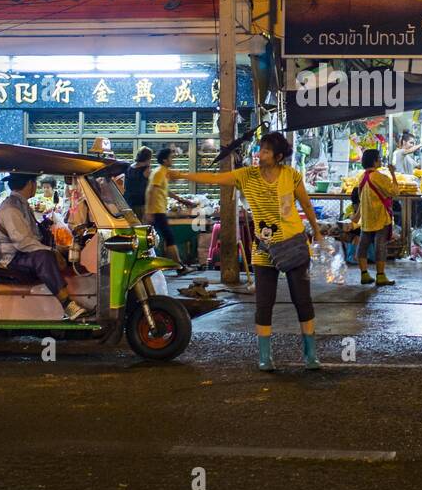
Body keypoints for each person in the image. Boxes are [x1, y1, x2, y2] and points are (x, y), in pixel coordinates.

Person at [170, 132, 326, 370]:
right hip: (264, 250)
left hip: (294, 245)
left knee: (302, 301)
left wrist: (317, 232)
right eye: (259, 149)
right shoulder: (246, 176)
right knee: (264, 303)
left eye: (265, 151)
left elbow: (305, 203)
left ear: (278, 156)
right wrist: (181, 174)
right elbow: (214, 179)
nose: (259, 154)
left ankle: (311, 354)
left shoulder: (291, 175)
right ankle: (265, 356)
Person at [0, 172, 87, 320]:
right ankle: (67, 304)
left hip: (24, 252)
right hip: (13, 258)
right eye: (36, 183)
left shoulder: (21, 203)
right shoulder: (11, 208)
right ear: (31, 184)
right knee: (44, 257)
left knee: (68, 250)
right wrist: (51, 251)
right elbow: (23, 242)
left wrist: (58, 248)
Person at [349, 147, 399, 286]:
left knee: (363, 245)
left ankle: (364, 274)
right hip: (380, 217)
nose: (381, 160)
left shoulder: (362, 177)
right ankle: (380, 275)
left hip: (367, 218)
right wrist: (393, 174)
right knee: (380, 246)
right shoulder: (379, 177)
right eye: (379, 158)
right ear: (375, 161)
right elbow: (395, 192)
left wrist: (357, 216)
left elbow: (360, 198)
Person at [146, 147, 197, 274]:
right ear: (164, 160)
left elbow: (164, 191)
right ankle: (180, 267)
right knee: (169, 238)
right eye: (170, 157)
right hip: (156, 210)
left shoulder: (162, 172)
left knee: (163, 238)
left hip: (159, 210)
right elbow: (151, 191)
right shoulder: (159, 172)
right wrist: (149, 212)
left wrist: (181, 200)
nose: (172, 159)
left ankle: (178, 266)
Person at [124, 146, 154, 221]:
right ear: (148, 158)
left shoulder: (130, 167)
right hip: (140, 204)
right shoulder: (146, 170)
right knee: (142, 227)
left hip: (127, 201)